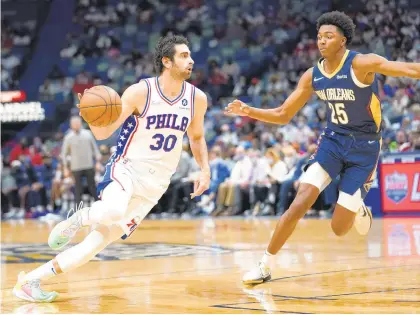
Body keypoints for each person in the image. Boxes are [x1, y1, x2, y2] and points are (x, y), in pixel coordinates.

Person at [224, 11, 420, 284]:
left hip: (364, 149)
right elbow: (283, 114)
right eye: (319, 37)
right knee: (299, 203)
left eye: (329, 36)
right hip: (332, 142)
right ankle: (264, 265)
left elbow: (412, 70)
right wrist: (249, 110)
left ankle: (359, 206)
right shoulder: (312, 75)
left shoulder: (361, 63)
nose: (322, 41)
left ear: (343, 40)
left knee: (339, 228)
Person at [13, 34, 211, 302]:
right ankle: (76, 219)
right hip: (126, 169)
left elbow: (196, 137)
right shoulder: (140, 92)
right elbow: (103, 132)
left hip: (156, 185)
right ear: (166, 61)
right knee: (113, 209)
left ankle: (30, 280)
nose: (191, 60)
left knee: (94, 245)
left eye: (190, 55)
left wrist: (205, 170)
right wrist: (90, 114)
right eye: (184, 55)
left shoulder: (197, 99)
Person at [61, 115, 102, 209]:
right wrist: (65, 168)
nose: (75, 125)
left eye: (77, 123)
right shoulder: (68, 137)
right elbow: (64, 154)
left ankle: (100, 208)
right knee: (78, 189)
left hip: (89, 165)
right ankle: (78, 211)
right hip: (76, 167)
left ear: (80, 123)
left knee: (92, 188)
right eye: (73, 123)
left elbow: (95, 150)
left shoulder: (88, 134)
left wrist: (98, 162)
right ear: (71, 125)